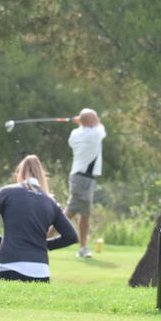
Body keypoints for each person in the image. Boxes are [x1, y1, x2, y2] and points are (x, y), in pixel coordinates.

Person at [0, 155, 79, 282]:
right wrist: (42, 244)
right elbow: (71, 237)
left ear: (19, 174)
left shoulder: (7, 192)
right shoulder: (50, 202)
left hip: (9, 265)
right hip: (40, 271)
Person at [65, 108, 106, 257]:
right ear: (90, 122)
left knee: (85, 214)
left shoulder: (75, 134)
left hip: (82, 178)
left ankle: (83, 248)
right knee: (71, 211)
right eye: (95, 118)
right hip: (82, 178)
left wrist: (81, 124)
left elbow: (89, 126)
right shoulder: (95, 133)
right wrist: (82, 122)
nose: (98, 119)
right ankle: (42, 239)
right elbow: (101, 127)